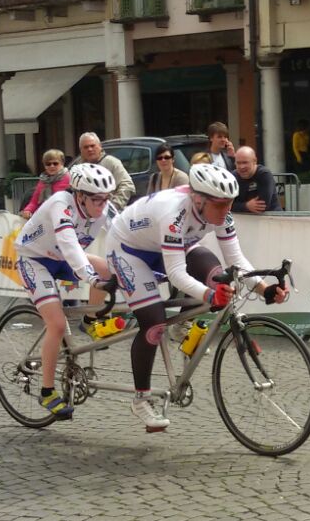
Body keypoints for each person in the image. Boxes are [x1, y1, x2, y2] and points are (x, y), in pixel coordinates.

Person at [108, 164, 290, 432]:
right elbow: (176, 273)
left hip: (171, 244)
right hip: (129, 250)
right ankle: (141, 398)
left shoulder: (220, 213)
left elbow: (236, 260)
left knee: (216, 271)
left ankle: (189, 332)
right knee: (154, 322)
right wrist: (209, 294)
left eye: (229, 203)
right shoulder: (173, 214)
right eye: (220, 205)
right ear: (198, 199)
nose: (226, 211)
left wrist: (265, 289)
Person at [14, 163, 119, 420]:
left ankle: (90, 321)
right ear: (80, 195)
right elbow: (70, 245)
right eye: (96, 199)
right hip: (35, 259)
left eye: (107, 198)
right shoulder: (60, 204)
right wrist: (91, 279)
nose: (103, 204)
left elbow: (124, 235)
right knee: (57, 324)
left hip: (61, 259)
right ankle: (48, 392)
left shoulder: (104, 206)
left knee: (108, 269)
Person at [70, 132, 135, 211]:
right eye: (86, 147)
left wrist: (114, 206)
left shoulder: (112, 162)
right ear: (81, 150)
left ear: (100, 147)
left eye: (92, 146)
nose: (90, 149)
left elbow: (127, 185)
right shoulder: (78, 167)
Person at [21, 149, 71, 216]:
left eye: (55, 163)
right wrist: (27, 210)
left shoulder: (69, 178)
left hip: (64, 215)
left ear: (62, 163)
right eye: (48, 164)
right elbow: (34, 202)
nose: (52, 166)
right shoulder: (43, 181)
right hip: (45, 216)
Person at [232, 146, 279, 214]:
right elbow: (225, 205)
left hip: (271, 218)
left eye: (245, 162)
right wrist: (246, 206)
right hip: (244, 220)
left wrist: (239, 206)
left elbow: (262, 206)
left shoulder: (264, 174)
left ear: (254, 161)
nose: (242, 167)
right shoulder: (233, 177)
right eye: (238, 163)